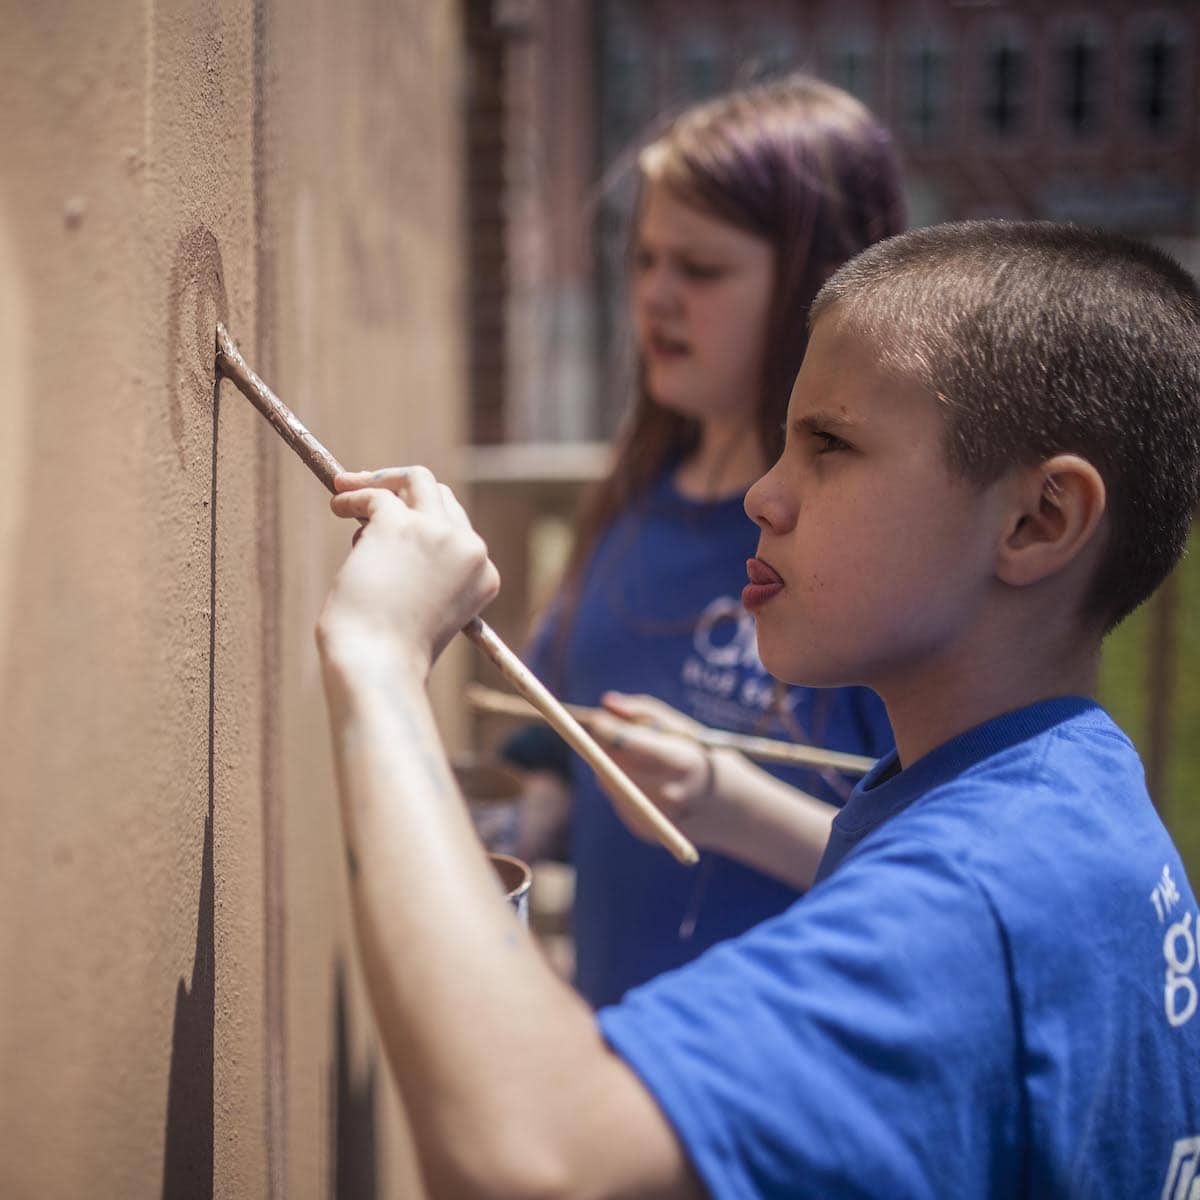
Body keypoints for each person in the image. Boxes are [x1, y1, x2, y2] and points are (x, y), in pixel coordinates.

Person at [316, 220, 1200, 1198]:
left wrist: (381, 655)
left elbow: (535, 1162)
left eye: (829, 443)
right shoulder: (1074, 801)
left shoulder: (978, 900)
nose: (764, 496)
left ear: (1038, 521)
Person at [501, 74, 903, 1006]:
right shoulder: (631, 498)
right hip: (620, 1063)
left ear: (822, 285)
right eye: (643, 260)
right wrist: (509, 829)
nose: (656, 296)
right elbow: (557, 744)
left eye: (701, 269)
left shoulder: (873, 550)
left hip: (782, 1096)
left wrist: (735, 806)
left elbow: (949, 883)